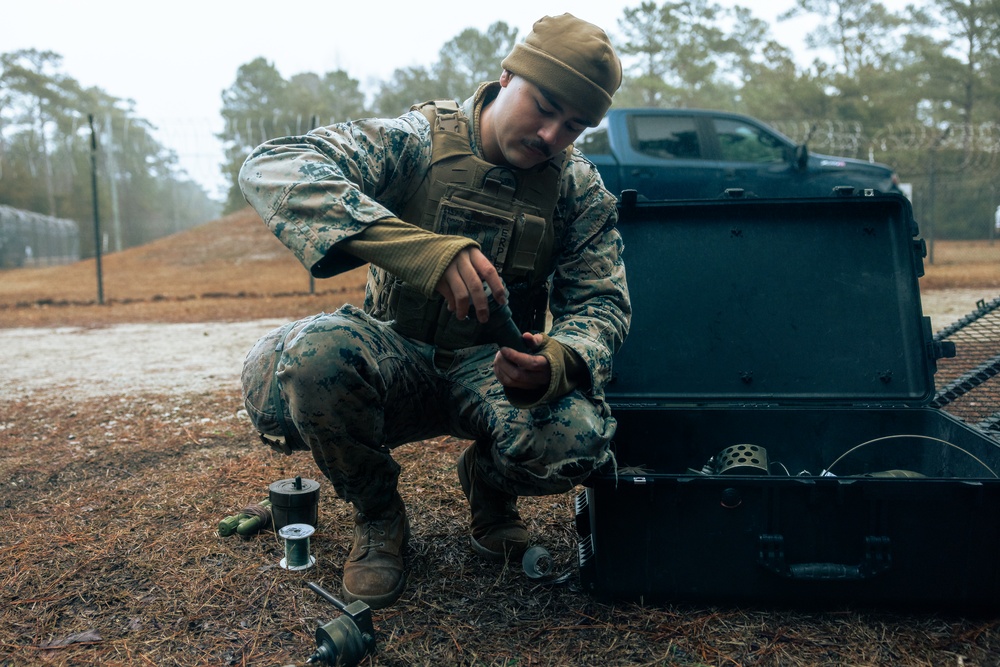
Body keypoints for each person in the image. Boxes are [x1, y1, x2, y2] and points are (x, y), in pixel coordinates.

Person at [238, 13, 630, 609]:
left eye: (574, 125)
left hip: (493, 373)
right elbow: (273, 166)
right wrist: (420, 251)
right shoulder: (418, 141)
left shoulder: (577, 190)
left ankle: (490, 486)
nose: (552, 135)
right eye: (544, 106)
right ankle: (378, 517)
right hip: (396, 357)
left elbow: (602, 302)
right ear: (507, 77)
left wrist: (557, 359)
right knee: (315, 357)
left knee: (577, 442)